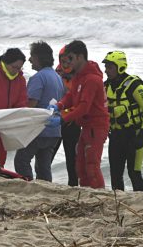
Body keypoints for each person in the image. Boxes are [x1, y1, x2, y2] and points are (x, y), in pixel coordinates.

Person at [50, 40, 109, 189]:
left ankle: (99, 195)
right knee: (81, 166)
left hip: (96, 127)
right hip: (86, 126)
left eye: (70, 58)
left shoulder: (92, 79)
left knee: (92, 166)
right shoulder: (79, 76)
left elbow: (83, 107)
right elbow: (71, 96)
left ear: (79, 57)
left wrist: (62, 118)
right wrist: (59, 105)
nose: (68, 63)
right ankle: (86, 194)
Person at [102, 51, 143, 192]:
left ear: (120, 67)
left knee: (134, 173)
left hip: (135, 135)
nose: (106, 71)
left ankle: (141, 203)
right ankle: (118, 203)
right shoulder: (106, 86)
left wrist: (142, 134)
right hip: (116, 136)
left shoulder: (134, 85)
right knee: (115, 175)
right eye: (106, 67)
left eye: (109, 67)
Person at [14, 41, 65, 181]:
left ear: (38, 58)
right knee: (43, 166)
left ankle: (27, 186)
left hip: (38, 130)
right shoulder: (57, 77)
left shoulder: (38, 77)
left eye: (31, 56)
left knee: (21, 160)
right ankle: (45, 190)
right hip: (54, 131)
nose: (29, 59)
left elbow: (31, 106)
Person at [52, 45, 81, 186]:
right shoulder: (55, 74)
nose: (66, 64)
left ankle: (73, 187)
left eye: (69, 60)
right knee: (47, 156)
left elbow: (82, 102)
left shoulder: (81, 75)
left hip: (73, 122)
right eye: (64, 60)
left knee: (73, 159)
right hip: (56, 121)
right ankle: (42, 182)